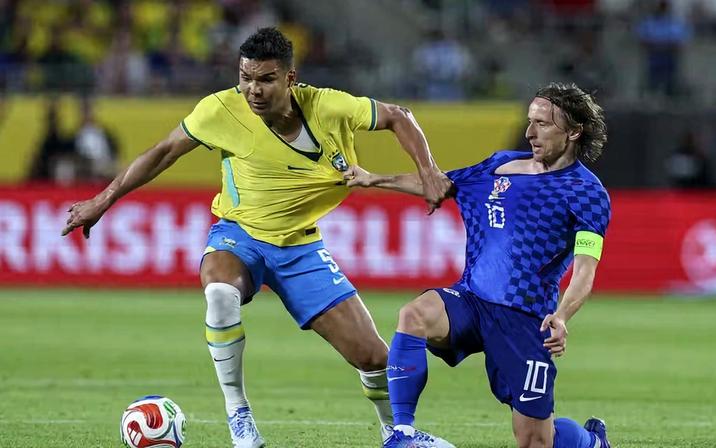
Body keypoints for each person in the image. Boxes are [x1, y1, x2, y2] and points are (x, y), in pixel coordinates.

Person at [62, 27, 453, 448]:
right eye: (246, 78)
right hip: (240, 236)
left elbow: (399, 115)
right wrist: (103, 200)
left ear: (290, 79)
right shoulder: (220, 111)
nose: (253, 90)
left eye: (265, 79)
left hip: (302, 248)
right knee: (219, 292)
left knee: (375, 359)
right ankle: (239, 417)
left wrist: (429, 171)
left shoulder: (329, 107)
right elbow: (161, 152)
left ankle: (396, 434)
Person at [345, 82, 612, 448]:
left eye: (543, 124)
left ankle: (591, 443)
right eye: (530, 121)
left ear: (574, 131)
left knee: (535, 439)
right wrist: (373, 179)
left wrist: (563, 316)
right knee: (415, 315)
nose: (530, 132)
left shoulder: (586, 192)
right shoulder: (501, 164)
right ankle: (402, 434)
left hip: (524, 317)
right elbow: (439, 185)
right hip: (471, 299)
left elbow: (585, 267)